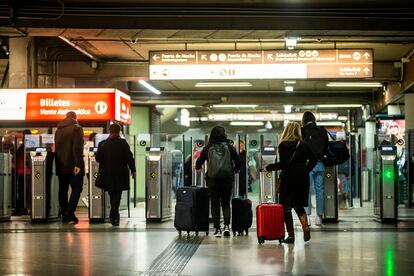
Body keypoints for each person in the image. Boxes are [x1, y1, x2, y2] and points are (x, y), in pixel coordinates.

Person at [265, 122, 317, 243]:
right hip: (302, 178)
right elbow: (314, 159)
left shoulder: (284, 145)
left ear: (286, 131)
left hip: (289, 178)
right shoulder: (304, 144)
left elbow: (284, 164)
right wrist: (305, 169)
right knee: (299, 205)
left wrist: (269, 167)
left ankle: (291, 235)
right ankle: (305, 227)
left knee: (286, 208)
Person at [195, 126, 241, 237]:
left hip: (213, 180)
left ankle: (217, 229)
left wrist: (199, 168)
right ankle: (226, 226)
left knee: (215, 205)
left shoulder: (208, 148)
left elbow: (198, 163)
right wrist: (234, 170)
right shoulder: (229, 147)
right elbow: (238, 162)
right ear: (224, 134)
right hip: (227, 180)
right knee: (226, 203)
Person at [96, 123, 135, 226]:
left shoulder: (102, 143)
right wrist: (133, 170)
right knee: (117, 194)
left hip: (107, 173)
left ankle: (114, 216)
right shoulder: (123, 143)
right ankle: (114, 216)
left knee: (112, 193)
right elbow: (129, 157)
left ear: (110, 131)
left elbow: (98, 159)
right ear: (119, 131)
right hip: (120, 173)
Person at [55, 111, 84, 224]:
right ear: (75, 118)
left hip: (61, 165)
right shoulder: (77, 128)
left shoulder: (58, 130)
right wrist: (78, 164)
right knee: (77, 188)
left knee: (63, 190)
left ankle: (64, 213)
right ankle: (69, 211)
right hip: (73, 165)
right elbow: (77, 148)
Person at [301, 111, 328, 226]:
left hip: (307, 165)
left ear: (304, 120)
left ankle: (307, 217)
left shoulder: (302, 131)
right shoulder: (322, 130)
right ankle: (319, 217)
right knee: (320, 191)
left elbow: (301, 147)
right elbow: (326, 145)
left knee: (306, 190)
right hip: (320, 164)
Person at [14, 129, 32, 216]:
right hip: (29, 172)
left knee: (22, 191)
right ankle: (27, 209)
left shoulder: (22, 147)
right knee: (29, 191)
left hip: (22, 172)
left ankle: (19, 209)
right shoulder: (32, 145)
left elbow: (16, 158)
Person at [82, 132, 96, 206]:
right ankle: (88, 199)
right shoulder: (93, 145)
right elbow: (93, 156)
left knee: (92, 185)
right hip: (94, 169)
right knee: (95, 186)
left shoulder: (85, 146)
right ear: (94, 138)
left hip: (87, 169)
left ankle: (90, 200)